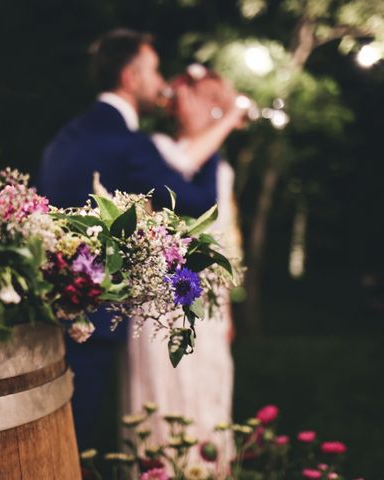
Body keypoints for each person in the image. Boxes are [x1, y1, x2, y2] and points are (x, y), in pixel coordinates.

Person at [37, 29, 241, 450]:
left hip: (54, 304)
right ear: (130, 77)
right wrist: (220, 126)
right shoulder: (127, 144)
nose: (160, 81)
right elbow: (199, 200)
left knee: (62, 431)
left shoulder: (69, 135)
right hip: (97, 313)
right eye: (153, 71)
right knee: (76, 438)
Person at [122, 66, 243, 476]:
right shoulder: (158, 150)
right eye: (201, 98)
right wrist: (230, 118)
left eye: (215, 103)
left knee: (207, 382)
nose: (208, 109)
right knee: (162, 386)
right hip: (159, 295)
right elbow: (180, 184)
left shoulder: (221, 169)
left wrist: (225, 306)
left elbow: (222, 238)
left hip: (203, 294)